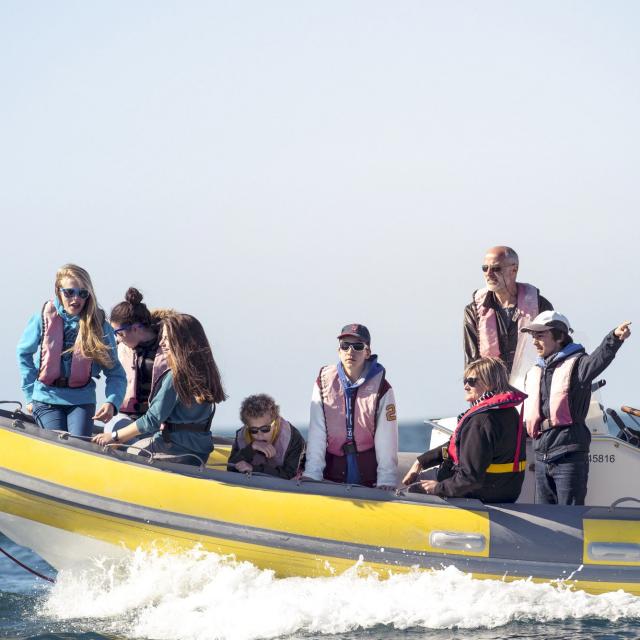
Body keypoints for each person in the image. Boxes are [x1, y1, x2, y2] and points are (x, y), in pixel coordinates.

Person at [521, 311, 631, 505]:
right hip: (540, 455)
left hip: (568, 454)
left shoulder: (579, 365)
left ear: (560, 336)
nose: (534, 341)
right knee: (545, 521)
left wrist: (613, 338)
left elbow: (599, 359)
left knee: (570, 517)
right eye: (533, 336)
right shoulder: (536, 370)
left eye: (540, 335)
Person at [92, 313, 227, 466]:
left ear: (181, 342)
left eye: (167, 339)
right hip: (200, 451)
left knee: (128, 452)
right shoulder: (206, 373)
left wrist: (114, 437)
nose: (162, 343)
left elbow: (151, 420)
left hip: (174, 449)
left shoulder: (176, 377)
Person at [17, 264, 126, 437]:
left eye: (82, 293)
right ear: (58, 291)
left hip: (82, 400)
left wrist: (112, 402)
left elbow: (115, 373)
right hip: (46, 399)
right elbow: (23, 353)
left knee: (77, 444)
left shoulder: (100, 326)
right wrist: (30, 395)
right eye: (69, 292)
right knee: (58, 444)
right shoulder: (43, 318)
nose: (76, 299)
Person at [402, 357, 527, 503]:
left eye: (472, 381)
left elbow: (470, 478)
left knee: (412, 488)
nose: (466, 386)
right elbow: (456, 447)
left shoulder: (481, 422)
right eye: (465, 381)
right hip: (505, 490)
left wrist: (438, 488)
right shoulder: (510, 413)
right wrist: (421, 462)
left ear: (489, 383)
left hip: (480, 493)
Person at [303, 323, 398, 490]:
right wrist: (312, 474)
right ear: (339, 351)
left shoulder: (383, 389)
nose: (350, 351)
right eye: (345, 346)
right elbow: (317, 432)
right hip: (333, 472)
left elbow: (387, 438)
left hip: (368, 474)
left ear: (367, 352)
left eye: (358, 346)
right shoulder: (322, 383)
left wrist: (387, 480)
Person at [464, 246, 553, 379]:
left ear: (514, 269)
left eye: (496, 269)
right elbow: (471, 360)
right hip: (493, 389)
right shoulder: (473, 311)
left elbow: (554, 349)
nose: (489, 273)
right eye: (485, 268)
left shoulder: (540, 305)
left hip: (532, 385)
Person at [110, 288, 169, 421]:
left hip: (159, 419)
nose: (118, 339)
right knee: (114, 429)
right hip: (125, 415)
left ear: (135, 328)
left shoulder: (168, 347)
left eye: (119, 333)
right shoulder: (120, 348)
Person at [227, 394, 305, 479]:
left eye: (265, 429)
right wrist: (251, 448)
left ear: (276, 423)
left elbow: (289, 475)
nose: (259, 435)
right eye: (254, 430)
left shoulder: (293, 438)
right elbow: (231, 468)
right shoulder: (241, 436)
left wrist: (253, 469)